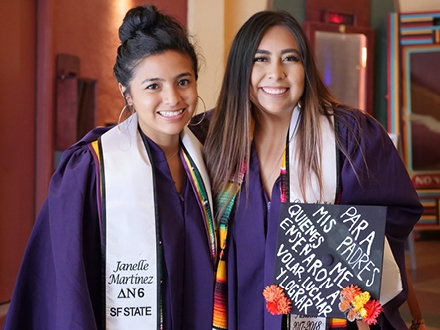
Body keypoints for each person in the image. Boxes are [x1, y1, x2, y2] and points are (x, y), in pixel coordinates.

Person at [203, 9, 423, 330]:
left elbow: (395, 214)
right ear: (240, 68)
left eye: (289, 58)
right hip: (240, 310)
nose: (275, 73)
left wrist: (348, 256)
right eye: (260, 59)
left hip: (329, 313)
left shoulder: (351, 135)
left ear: (306, 67)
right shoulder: (211, 136)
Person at [3, 5, 215, 330]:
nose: (173, 98)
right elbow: (66, 286)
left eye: (183, 81)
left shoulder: (212, 156)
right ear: (126, 93)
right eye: (153, 86)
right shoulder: (90, 171)